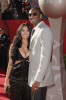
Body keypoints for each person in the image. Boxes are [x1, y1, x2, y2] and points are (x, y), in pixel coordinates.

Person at [28, 7, 54, 100]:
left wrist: (38, 79)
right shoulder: (36, 30)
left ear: (40, 16)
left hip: (39, 79)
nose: (31, 16)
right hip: (34, 76)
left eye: (34, 14)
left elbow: (46, 57)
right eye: (29, 14)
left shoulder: (44, 30)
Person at [4, 23, 32, 100]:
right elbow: (10, 64)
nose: (25, 32)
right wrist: (6, 81)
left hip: (28, 80)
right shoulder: (14, 46)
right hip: (15, 80)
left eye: (27, 30)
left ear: (30, 32)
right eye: (23, 30)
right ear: (20, 32)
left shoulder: (34, 46)